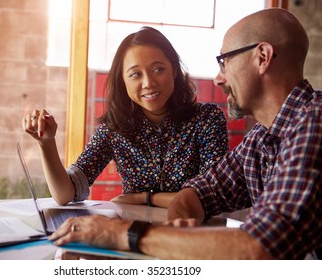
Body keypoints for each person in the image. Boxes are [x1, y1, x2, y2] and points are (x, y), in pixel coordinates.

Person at [48, 8, 321, 259]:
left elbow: (260, 247)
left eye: (224, 62)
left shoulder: (315, 121)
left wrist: (121, 233)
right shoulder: (260, 139)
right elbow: (200, 193)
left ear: (262, 57)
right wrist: (175, 235)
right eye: (134, 74)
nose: (218, 78)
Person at [23, 26, 229, 208]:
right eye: (135, 74)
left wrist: (144, 198)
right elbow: (66, 194)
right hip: (133, 238)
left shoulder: (207, 119)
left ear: (174, 70)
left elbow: (213, 195)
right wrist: (46, 143)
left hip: (193, 238)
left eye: (158, 69)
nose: (148, 82)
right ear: (123, 81)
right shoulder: (114, 130)